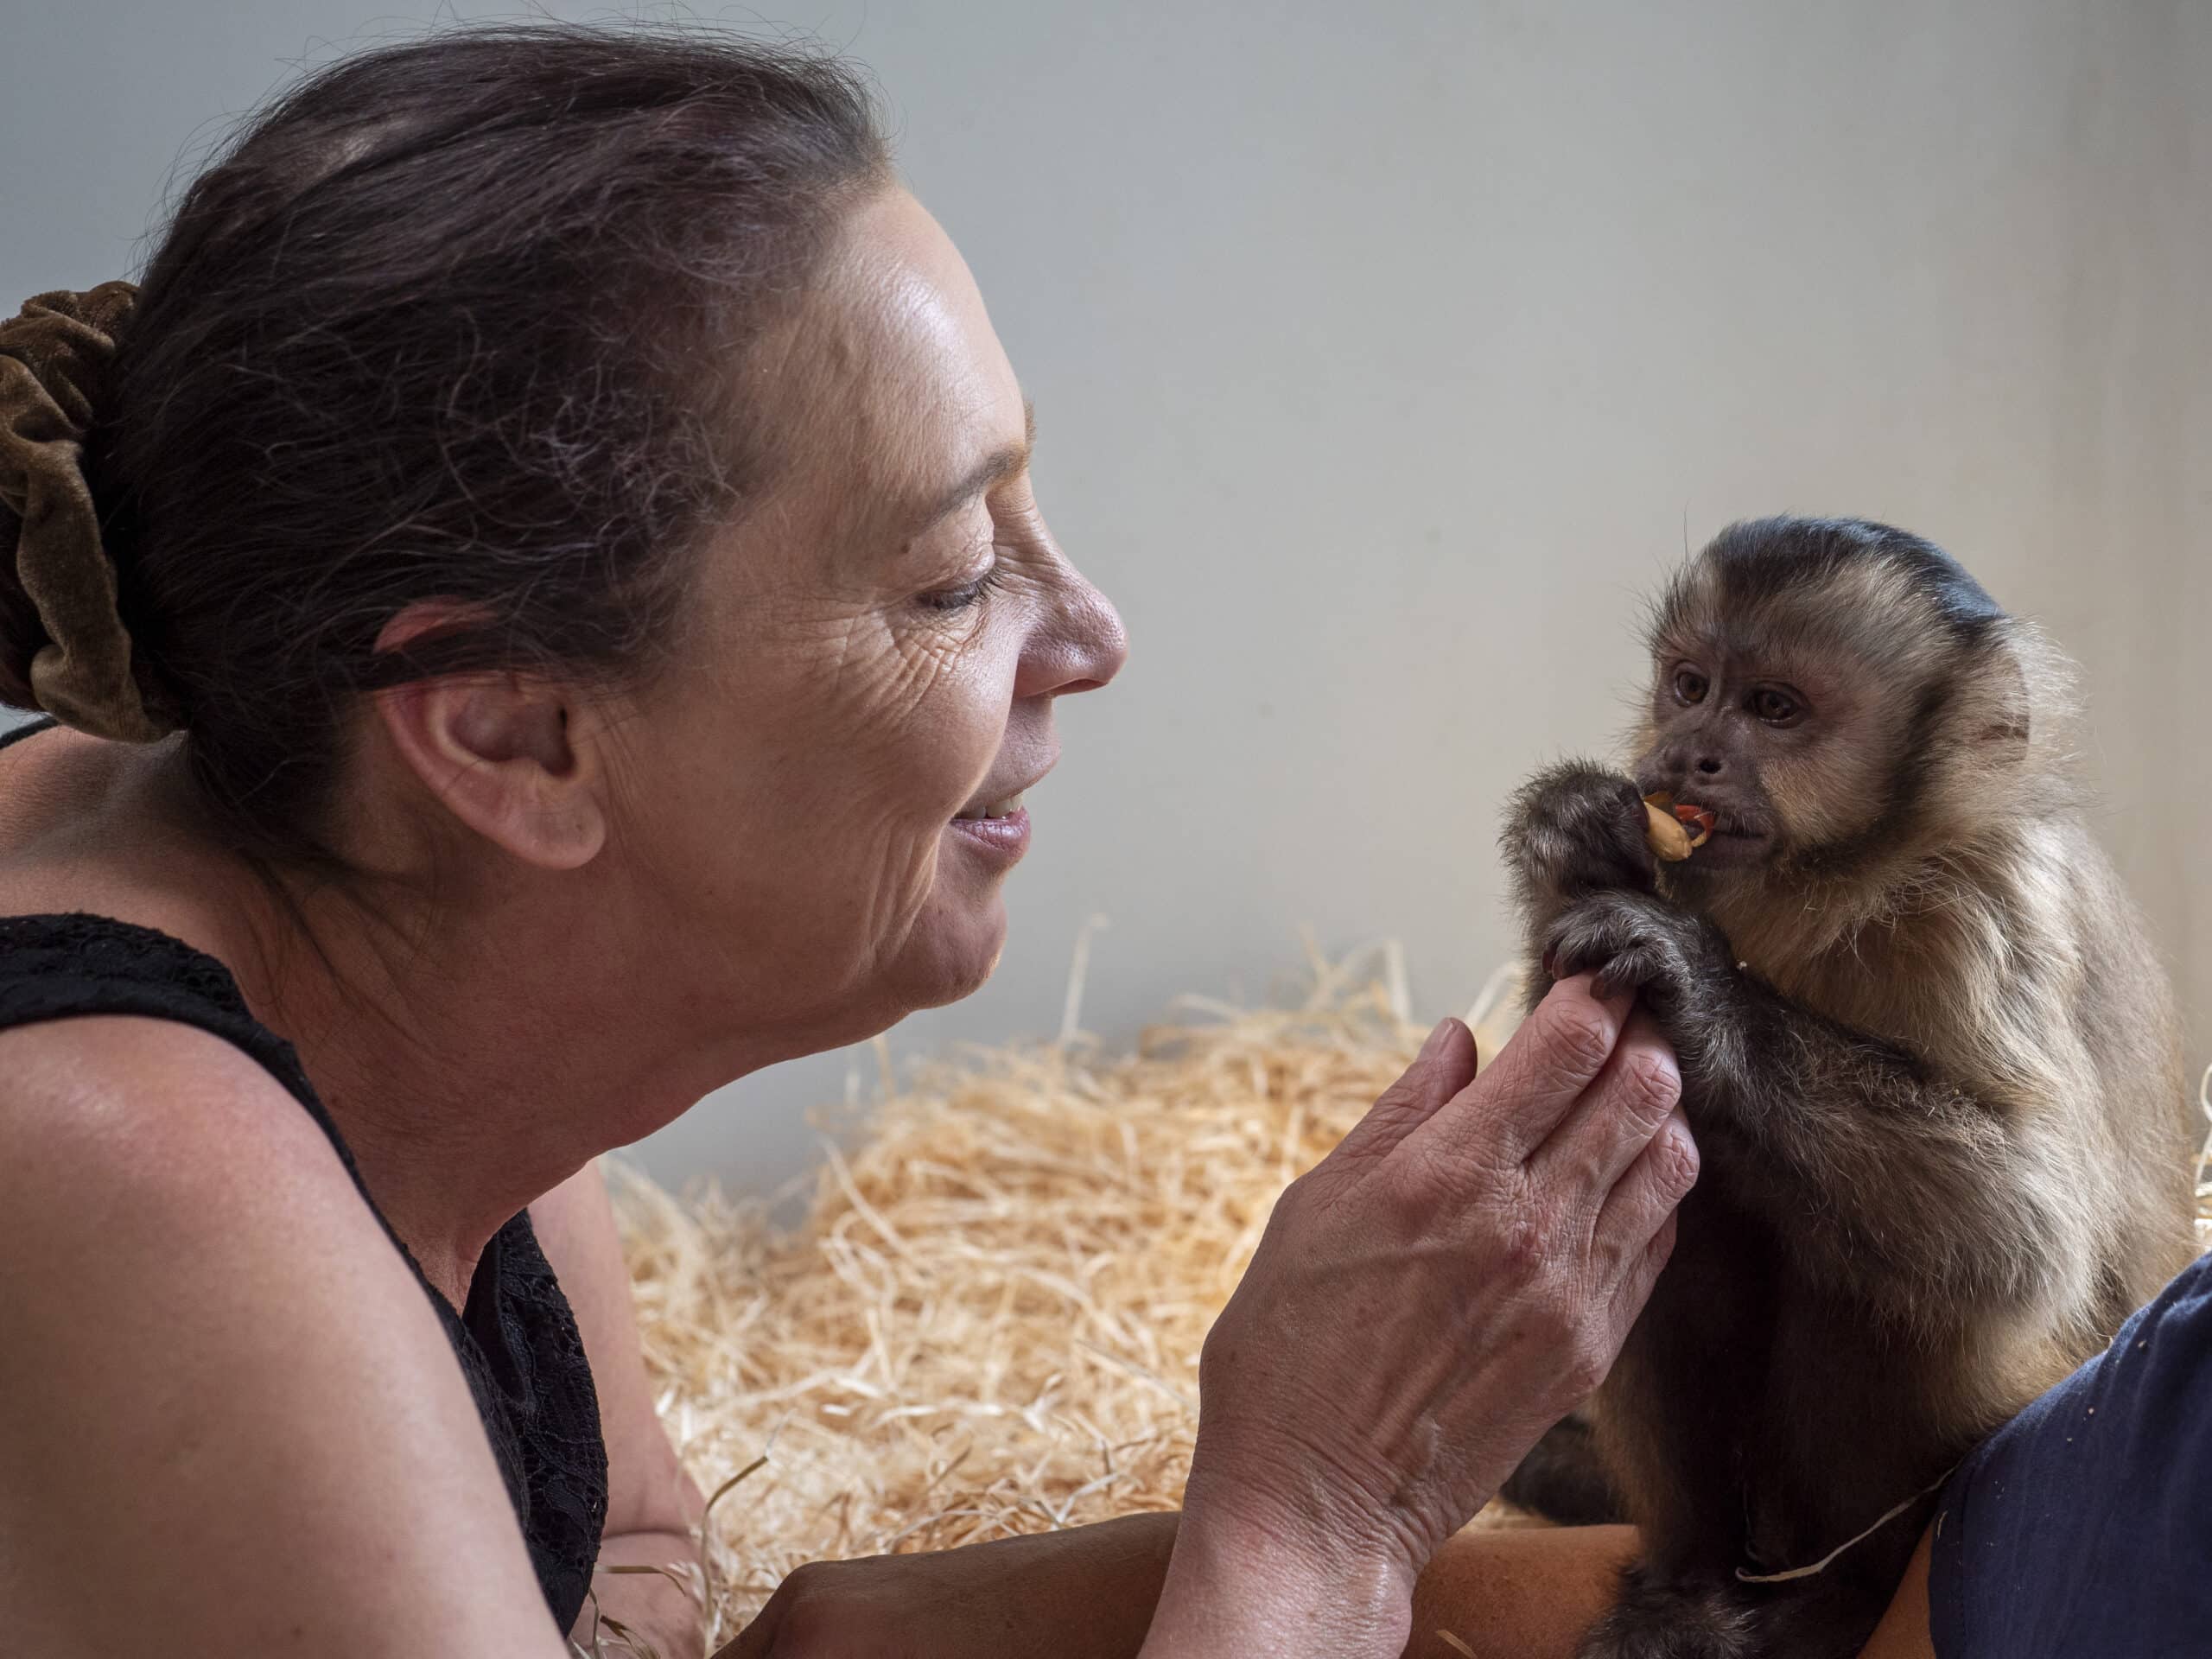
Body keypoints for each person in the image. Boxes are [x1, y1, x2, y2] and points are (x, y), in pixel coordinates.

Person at [0, 25, 1698, 1659]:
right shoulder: (146, 1189)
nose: (1092, 636)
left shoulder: (385, 895)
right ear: (515, 735)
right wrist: (1318, 1515)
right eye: (951, 579)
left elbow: (636, 1549)